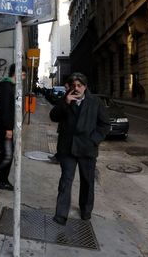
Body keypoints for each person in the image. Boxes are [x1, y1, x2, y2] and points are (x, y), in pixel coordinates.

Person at [50, 72, 110, 225]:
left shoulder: (95, 102)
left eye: (79, 85)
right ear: (70, 86)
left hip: (87, 149)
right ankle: (61, 215)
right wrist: (65, 103)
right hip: (67, 148)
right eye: (74, 85)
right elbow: (53, 116)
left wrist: (94, 140)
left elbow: (104, 125)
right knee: (66, 181)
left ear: (85, 87)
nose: (76, 88)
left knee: (87, 182)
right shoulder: (65, 100)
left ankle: (86, 210)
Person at [0, 63, 27, 190]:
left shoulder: (9, 86)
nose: (24, 78)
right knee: (8, 154)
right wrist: (9, 128)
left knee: (6, 153)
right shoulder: (6, 86)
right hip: (5, 128)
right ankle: (1, 180)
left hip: (6, 127)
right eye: (23, 75)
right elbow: (5, 109)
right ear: (17, 73)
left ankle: (1, 178)